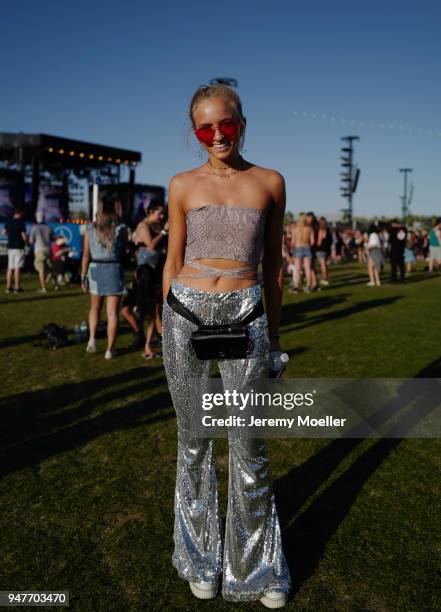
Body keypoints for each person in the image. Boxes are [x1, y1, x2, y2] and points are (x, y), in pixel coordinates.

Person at [162, 84, 291, 607]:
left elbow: (274, 266)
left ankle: (258, 566)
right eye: (205, 128)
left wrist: (278, 335)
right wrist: (164, 319)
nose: (217, 136)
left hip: (248, 313)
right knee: (193, 439)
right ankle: (199, 558)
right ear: (195, 132)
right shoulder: (182, 184)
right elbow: (172, 260)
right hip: (185, 314)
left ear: (242, 121)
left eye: (226, 125)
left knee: (248, 443)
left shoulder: (270, 182)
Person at [81, 193, 128, 359]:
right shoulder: (121, 228)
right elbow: (124, 251)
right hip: (114, 268)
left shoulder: (90, 228)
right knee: (112, 313)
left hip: (95, 268)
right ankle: (110, 349)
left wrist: (82, 276)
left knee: (95, 308)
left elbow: (85, 255)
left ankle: (92, 340)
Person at [124, 200, 168, 359]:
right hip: (144, 274)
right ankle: (140, 335)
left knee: (154, 310)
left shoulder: (158, 226)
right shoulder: (144, 226)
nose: (162, 216)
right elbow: (150, 246)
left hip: (155, 273)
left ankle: (149, 344)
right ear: (149, 212)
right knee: (127, 308)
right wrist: (164, 232)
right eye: (159, 213)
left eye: (163, 213)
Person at [3, 208, 27, 293]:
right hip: (19, 247)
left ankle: (8, 287)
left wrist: (11, 235)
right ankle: (17, 287)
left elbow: (4, 232)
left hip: (10, 247)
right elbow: (23, 236)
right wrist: (27, 241)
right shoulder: (21, 222)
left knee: (10, 268)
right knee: (17, 268)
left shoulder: (8, 221)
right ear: (20, 213)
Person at [290, 212, 314, 293]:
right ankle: (309, 286)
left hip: (298, 247)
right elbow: (313, 242)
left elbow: (293, 242)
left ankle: (296, 287)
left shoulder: (295, 229)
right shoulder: (309, 228)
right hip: (307, 247)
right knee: (308, 268)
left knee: (297, 269)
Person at [29, 211, 52, 292]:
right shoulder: (48, 227)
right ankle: (55, 284)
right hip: (48, 249)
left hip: (39, 249)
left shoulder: (34, 228)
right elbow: (52, 238)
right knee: (49, 267)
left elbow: (31, 241)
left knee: (40, 269)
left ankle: (43, 288)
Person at [315, 216, 331, 286]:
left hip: (320, 250)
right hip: (326, 250)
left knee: (322, 265)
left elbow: (319, 242)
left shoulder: (320, 230)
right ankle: (325, 278)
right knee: (324, 264)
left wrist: (315, 247)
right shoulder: (328, 230)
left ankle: (325, 279)